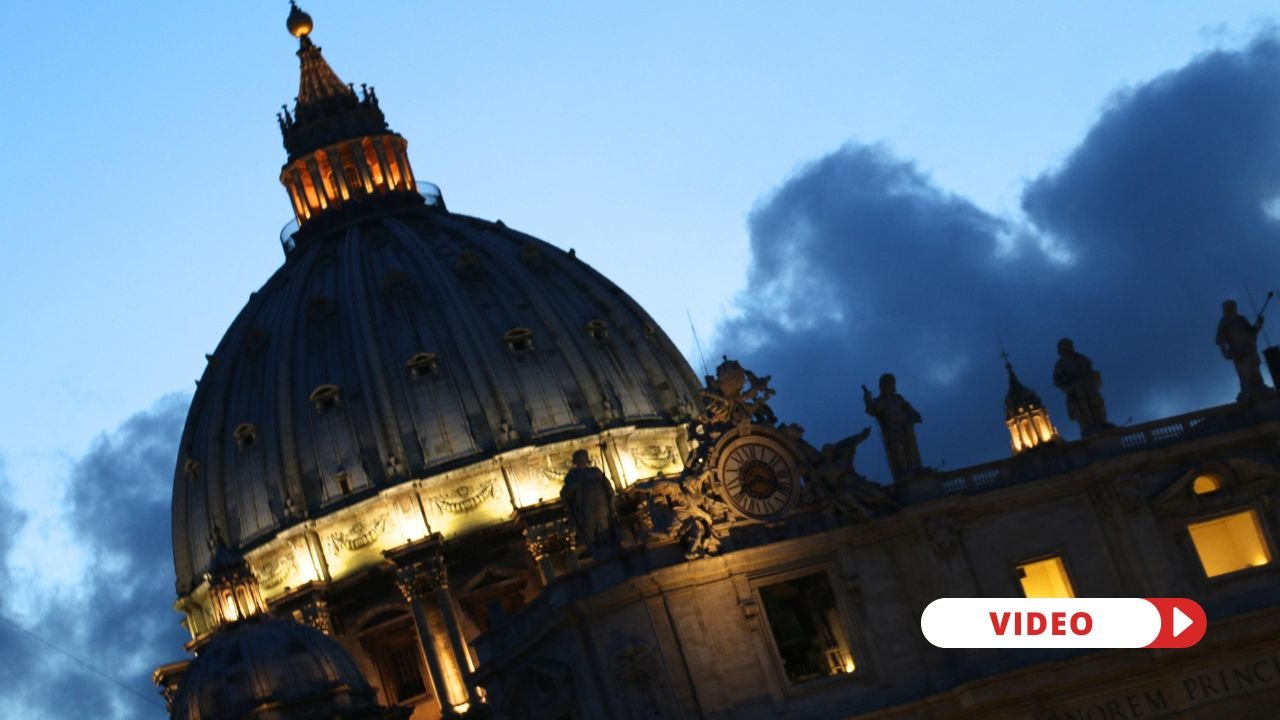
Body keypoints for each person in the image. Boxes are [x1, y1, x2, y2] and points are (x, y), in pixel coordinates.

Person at [862, 374, 923, 481]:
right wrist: (867, 399)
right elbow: (872, 411)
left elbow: (909, 409)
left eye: (892, 383)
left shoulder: (898, 398)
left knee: (911, 448)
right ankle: (904, 472)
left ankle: (916, 469)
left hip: (905, 427)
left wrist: (912, 416)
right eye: (890, 383)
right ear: (884, 385)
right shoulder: (881, 401)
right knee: (898, 451)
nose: (892, 385)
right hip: (892, 429)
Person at [1052, 338, 1113, 436]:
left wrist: (1094, 376)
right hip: (1077, 390)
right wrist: (1068, 387)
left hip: (1089, 386)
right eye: (1065, 347)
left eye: (1069, 346)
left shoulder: (1081, 358)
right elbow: (1057, 380)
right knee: (1083, 408)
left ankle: (1102, 423)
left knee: (1098, 403)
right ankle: (1090, 426)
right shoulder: (1060, 363)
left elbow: (1090, 370)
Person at [560, 450, 618, 551]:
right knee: (589, 530)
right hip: (585, 507)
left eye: (583, 458)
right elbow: (566, 492)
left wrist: (612, 505)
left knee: (605, 529)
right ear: (575, 462)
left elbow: (608, 488)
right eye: (579, 459)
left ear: (587, 459)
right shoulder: (572, 475)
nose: (581, 461)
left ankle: (608, 549)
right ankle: (595, 550)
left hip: (601, 506)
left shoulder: (595, 471)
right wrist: (577, 484)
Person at [1216, 300, 1270, 400]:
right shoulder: (1223, 323)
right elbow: (1221, 340)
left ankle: (1259, 388)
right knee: (1245, 375)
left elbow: (1252, 332)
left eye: (1233, 307)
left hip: (1250, 350)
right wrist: (1225, 352)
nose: (1232, 309)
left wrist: (1260, 323)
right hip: (1239, 353)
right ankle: (1247, 392)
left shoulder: (1241, 319)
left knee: (1256, 372)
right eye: (1229, 307)